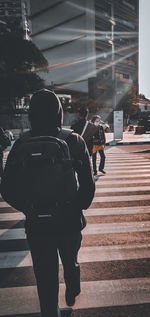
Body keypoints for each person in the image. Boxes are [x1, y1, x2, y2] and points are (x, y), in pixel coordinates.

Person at [2, 89, 95, 317]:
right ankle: (73, 283)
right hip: (69, 221)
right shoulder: (74, 141)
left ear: (32, 114)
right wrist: (76, 206)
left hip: (38, 224)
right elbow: (88, 186)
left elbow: (7, 189)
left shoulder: (21, 144)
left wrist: (30, 208)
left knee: (45, 279)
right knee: (70, 260)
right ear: (59, 113)